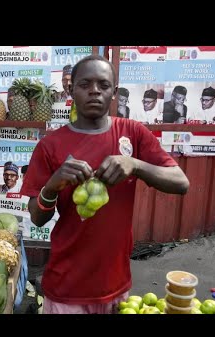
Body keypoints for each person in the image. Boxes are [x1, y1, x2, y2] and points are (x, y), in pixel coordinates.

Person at [20, 54, 189, 314]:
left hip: (116, 285)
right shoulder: (50, 146)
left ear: (114, 92)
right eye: (85, 84)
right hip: (66, 287)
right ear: (71, 89)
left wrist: (136, 165)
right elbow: (37, 218)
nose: (94, 91)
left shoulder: (133, 132)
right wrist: (53, 186)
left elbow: (181, 183)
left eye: (103, 85)